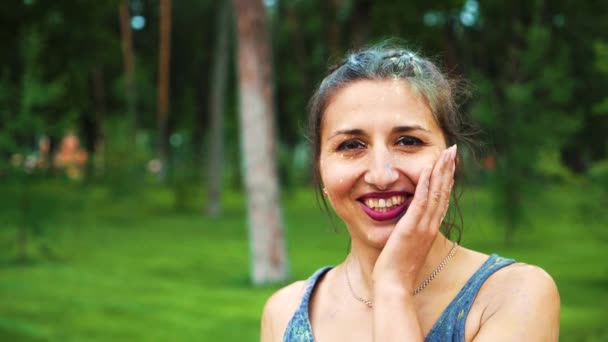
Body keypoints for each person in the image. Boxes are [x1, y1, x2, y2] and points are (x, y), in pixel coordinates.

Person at [260, 44, 560, 341]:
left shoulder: (513, 296)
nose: (381, 176)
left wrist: (392, 285)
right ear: (321, 170)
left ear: (451, 159)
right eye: (351, 145)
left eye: (408, 141)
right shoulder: (284, 312)